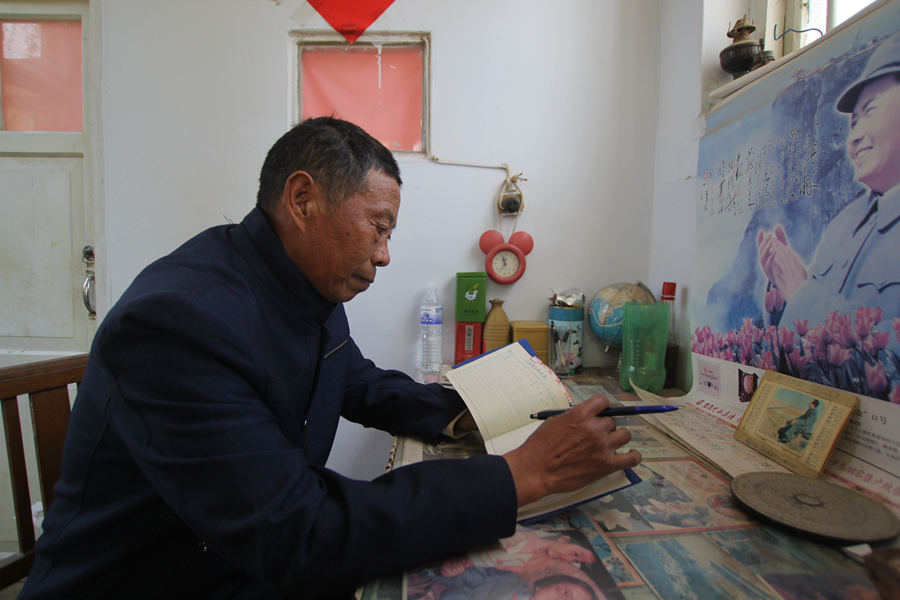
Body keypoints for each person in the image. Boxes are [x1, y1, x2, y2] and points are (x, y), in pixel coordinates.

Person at [19, 117, 640, 600]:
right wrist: (522, 473)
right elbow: (297, 531)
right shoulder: (178, 320)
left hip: (240, 565)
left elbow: (359, 383)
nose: (385, 253)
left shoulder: (298, 285)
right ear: (302, 199)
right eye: (379, 226)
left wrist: (480, 413)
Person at [757, 32, 900, 333]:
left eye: (870, 112)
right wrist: (783, 287)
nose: (854, 137)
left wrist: (802, 294)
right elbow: (809, 339)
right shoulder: (842, 225)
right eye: (853, 123)